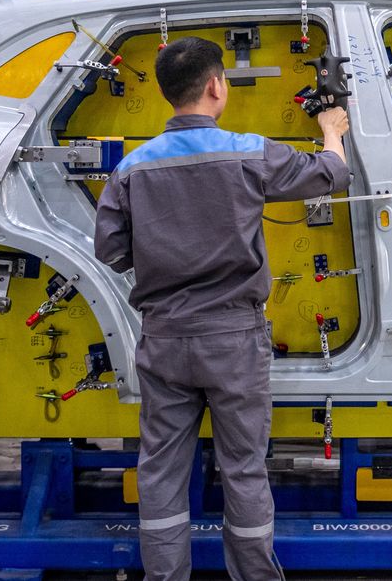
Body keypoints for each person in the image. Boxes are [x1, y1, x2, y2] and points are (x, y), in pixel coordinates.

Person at [94, 36, 351, 581]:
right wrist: (331, 132)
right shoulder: (248, 151)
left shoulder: (131, 170)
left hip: (163, 339)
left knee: (160, 470)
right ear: (216, 85)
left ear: (169, 93)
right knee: (243, 469)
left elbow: (111, 252)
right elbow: (331, 175)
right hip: (234, 339)